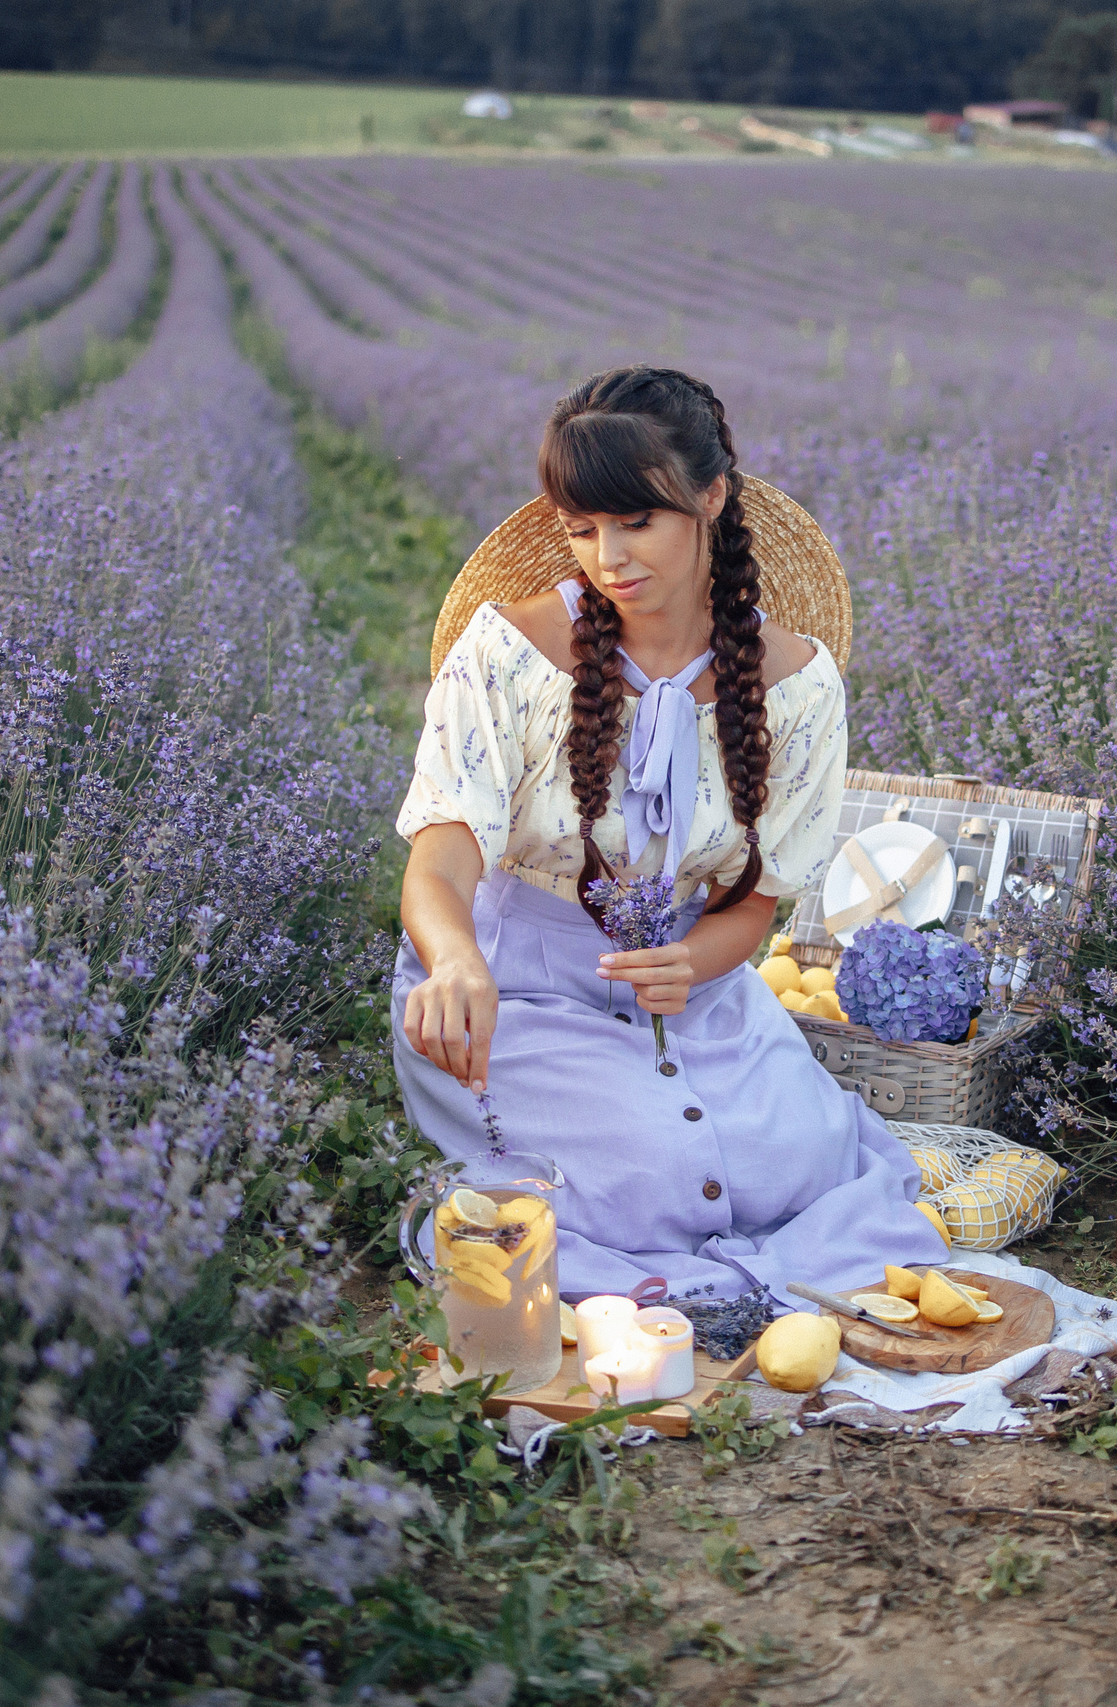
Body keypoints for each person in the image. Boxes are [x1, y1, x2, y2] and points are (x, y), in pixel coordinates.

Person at [392, 365, 947, 1309]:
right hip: (518, 988)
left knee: (794, 1164)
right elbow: (439, 859)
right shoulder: (508, 655)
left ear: (711, 498)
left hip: (696, 989)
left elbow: (755, 906)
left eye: (636, 521)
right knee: (649, 1175)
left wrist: (692, 961)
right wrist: (453, 961)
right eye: (581, 528)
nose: (608, 555)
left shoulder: (798, 687)